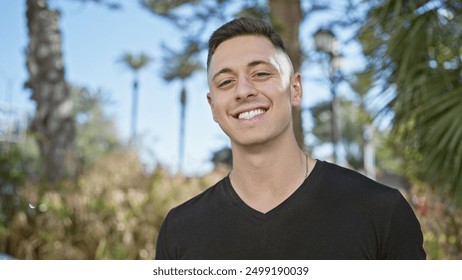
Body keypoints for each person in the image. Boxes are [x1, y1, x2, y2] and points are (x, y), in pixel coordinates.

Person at [155, 16, 426, 260]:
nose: (243, 91)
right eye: (226, 82)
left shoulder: (381, 211)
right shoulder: (179, 229)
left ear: (295, 89)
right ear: (213, 106)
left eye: (261, 74)